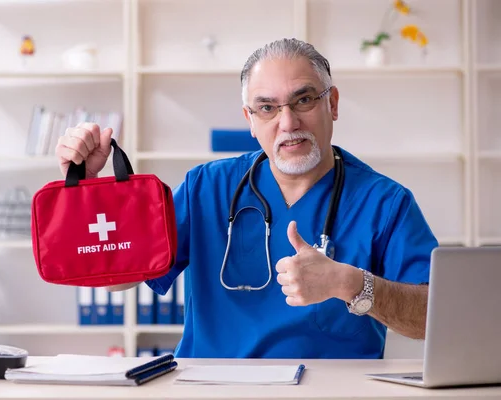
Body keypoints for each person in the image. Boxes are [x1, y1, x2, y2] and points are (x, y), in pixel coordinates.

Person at [55, 38, 438, 359]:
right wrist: (87, 188)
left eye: (303, 100)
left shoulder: (385, 203)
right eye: (268, 108)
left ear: (332, 104)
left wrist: (352, 284)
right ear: (250, 120)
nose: (287, 123)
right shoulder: (207, 187)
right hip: (213, 388)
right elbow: (117, 279)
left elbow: (433, 317)